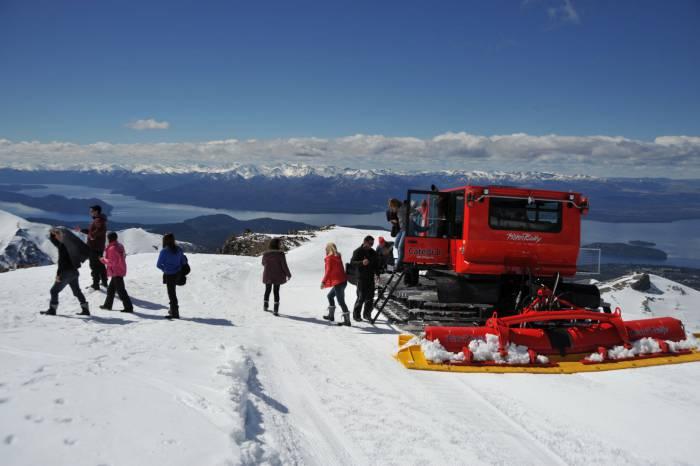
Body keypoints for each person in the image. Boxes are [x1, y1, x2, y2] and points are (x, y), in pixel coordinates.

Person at [41, 228, 90, 316]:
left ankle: (52, 310)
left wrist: (58, 275)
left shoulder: (63, 246)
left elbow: (62, 262)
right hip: (74, 272)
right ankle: (85, 309)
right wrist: (52, 234)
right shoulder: (71, 245)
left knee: (54, 291)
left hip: (66, 273)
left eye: (58, 234)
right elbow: (56, 242)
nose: (57, 236)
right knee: (77, 292)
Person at [75, 205, 108, 290]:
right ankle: (104, 282)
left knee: (94, 266)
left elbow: (100, 230)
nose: (90, 213)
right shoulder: (99, 219)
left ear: (96, 211)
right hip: (98, 246)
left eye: (91, 211)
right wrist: (82, 230)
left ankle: (95, 284)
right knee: (100, 265)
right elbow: (92, 232)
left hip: (94, 247)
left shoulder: (98, 220)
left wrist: (92, 236)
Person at [99, 232, 133, 313]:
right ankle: (107, 305)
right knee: (111, 290)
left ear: (109, 238)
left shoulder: (112, 248)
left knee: (121, 291)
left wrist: (102, 259)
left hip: (116, 271)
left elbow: (111, 262)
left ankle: (129, 307)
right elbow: (123, 256)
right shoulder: (120, 246)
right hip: (120, 269)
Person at [156, 233, 187, 319]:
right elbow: (183, 262)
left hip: (169, 275)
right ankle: (172, 310)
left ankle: (174, 313)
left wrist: (165, 269)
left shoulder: (164, 251)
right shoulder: (179, 249)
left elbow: (158, 265)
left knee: (171, 294)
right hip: (178, 273)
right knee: (173, 293)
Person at [320, 242, 351, 326]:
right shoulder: (337, 257)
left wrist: (323, 282)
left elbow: (328, 271)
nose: (325, 249)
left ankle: (347, 321)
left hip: (338, 282)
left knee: (341, 302)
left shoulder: (330, 258)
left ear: (329, 248)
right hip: (342, 281)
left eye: (326, 248)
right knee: (330, 296)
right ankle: (331, 316)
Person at [350, 235, 380, 322]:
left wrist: (377, 274)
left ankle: (367, 314)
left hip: (370, 278)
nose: (371, 245)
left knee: (370, 298)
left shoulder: (373, 252)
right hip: (361, 278)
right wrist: (361, 263)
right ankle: (356, 315)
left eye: (372, 244)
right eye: (370, 243)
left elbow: (375, 265)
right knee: (361, 297)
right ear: (364, 242)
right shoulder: (357, 251)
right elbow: (352, 263)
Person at [261, 238, 292, 316]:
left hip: (268, 274)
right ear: (277, 244)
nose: (280, 244)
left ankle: (265, 306)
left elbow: (263, 263)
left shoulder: (266, 254)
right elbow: (284, 266)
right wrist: (288, 274)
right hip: (278, 275)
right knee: (276, 291)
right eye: (279, 243)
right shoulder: (281, 254)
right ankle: (276, 310)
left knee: (267, 290)